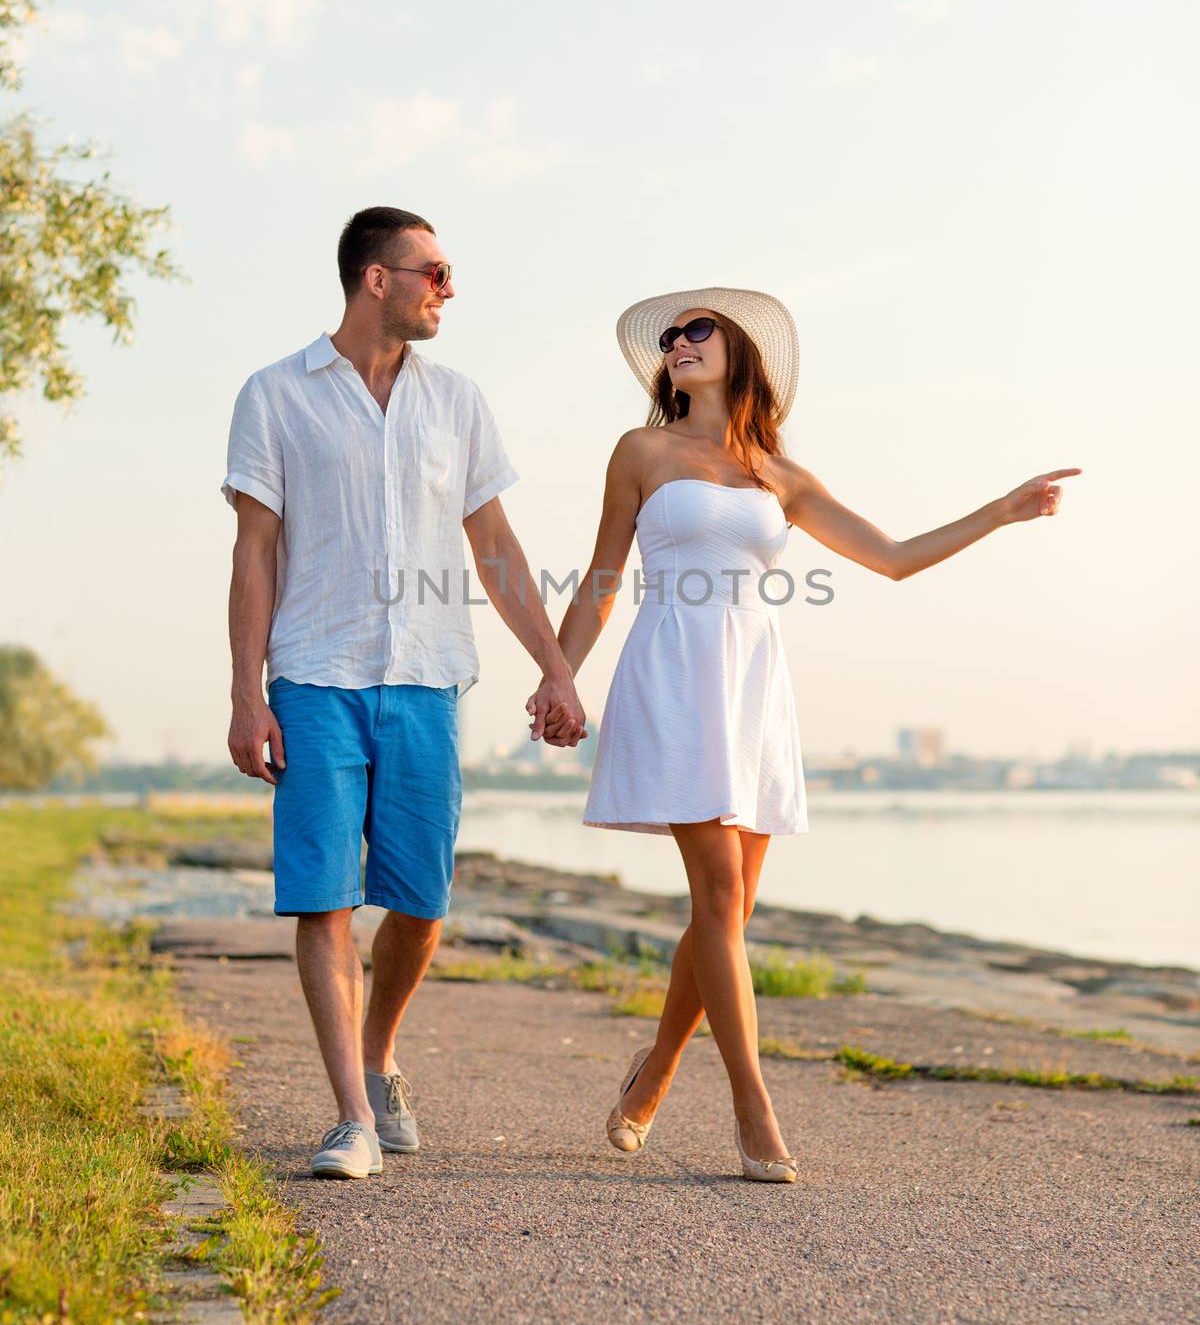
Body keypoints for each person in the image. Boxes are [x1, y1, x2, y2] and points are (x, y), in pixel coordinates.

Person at [555, 286, 1080, 1182]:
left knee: (730, 910)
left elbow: (896, 558)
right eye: (672, 336)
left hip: (753, 684)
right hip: (675, 671)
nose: (679, 342)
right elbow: (604, 576)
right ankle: (753, 1108)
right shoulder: (640, 450)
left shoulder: (780, 476)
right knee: (719, 895)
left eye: (699, 330)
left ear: (741, 354)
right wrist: (557, 674)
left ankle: (654, 1073)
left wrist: (1001, 510)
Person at [222, 206, 585, 1181]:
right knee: (323, 899)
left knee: (422, 901)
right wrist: (245, 691)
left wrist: (554, 665)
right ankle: (350, 1117)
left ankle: (380, 1057)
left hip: (427, 679)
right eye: (434, 270)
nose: (448, 287)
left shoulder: (458, 401)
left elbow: (496, 548)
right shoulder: (274, 395)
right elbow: (254, 551)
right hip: (314, 678)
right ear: (375, 278)